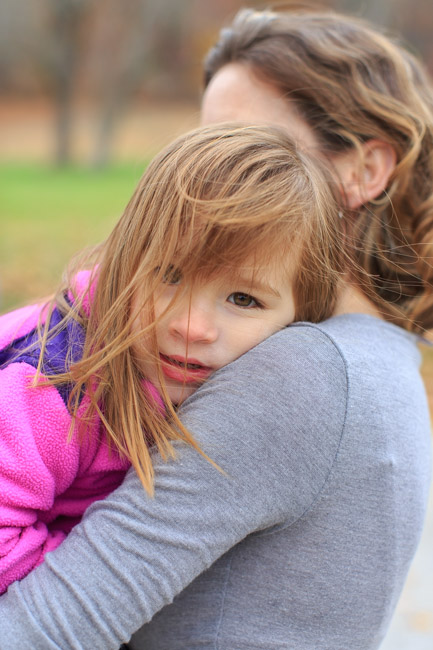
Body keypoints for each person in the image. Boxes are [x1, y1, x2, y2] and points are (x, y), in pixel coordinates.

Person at [0, 4, 432, 650]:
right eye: (201, 142)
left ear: (363, 171)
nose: (213, 170)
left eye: (253, 142)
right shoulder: (381, 360)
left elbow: (44, 628)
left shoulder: (303, 369)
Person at [0, 123, 343, 595]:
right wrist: (114, 581)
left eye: (243, 299)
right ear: (125, 257)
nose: (191, 326)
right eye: (168, 274)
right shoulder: (50, 385)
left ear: (302, 316)